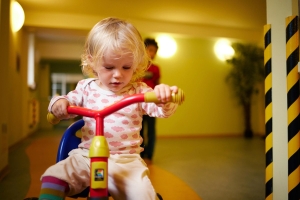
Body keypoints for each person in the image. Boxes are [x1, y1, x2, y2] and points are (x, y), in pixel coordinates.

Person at [37, 17, 179, 200]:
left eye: (126, 67)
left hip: (126, 161)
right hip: (86, 157)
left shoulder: (139, 91)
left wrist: (163, 98)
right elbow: (65, 100)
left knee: (145, 195)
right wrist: (58, 105)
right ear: (92, 61)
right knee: (54, 176)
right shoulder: (85, 88)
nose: (118, 75)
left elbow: (161, 111)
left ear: (136, 63)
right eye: (109, 67)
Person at [140, 38, 160, 164]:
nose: (152, 53)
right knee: (139, 129)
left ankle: (149, 154)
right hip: (139, 103)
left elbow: (158, 84)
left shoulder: (156, 68)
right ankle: (140, 154)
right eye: (150, 50)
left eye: (154, 51)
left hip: (152, 104)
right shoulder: (137, 67)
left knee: (151, 130)